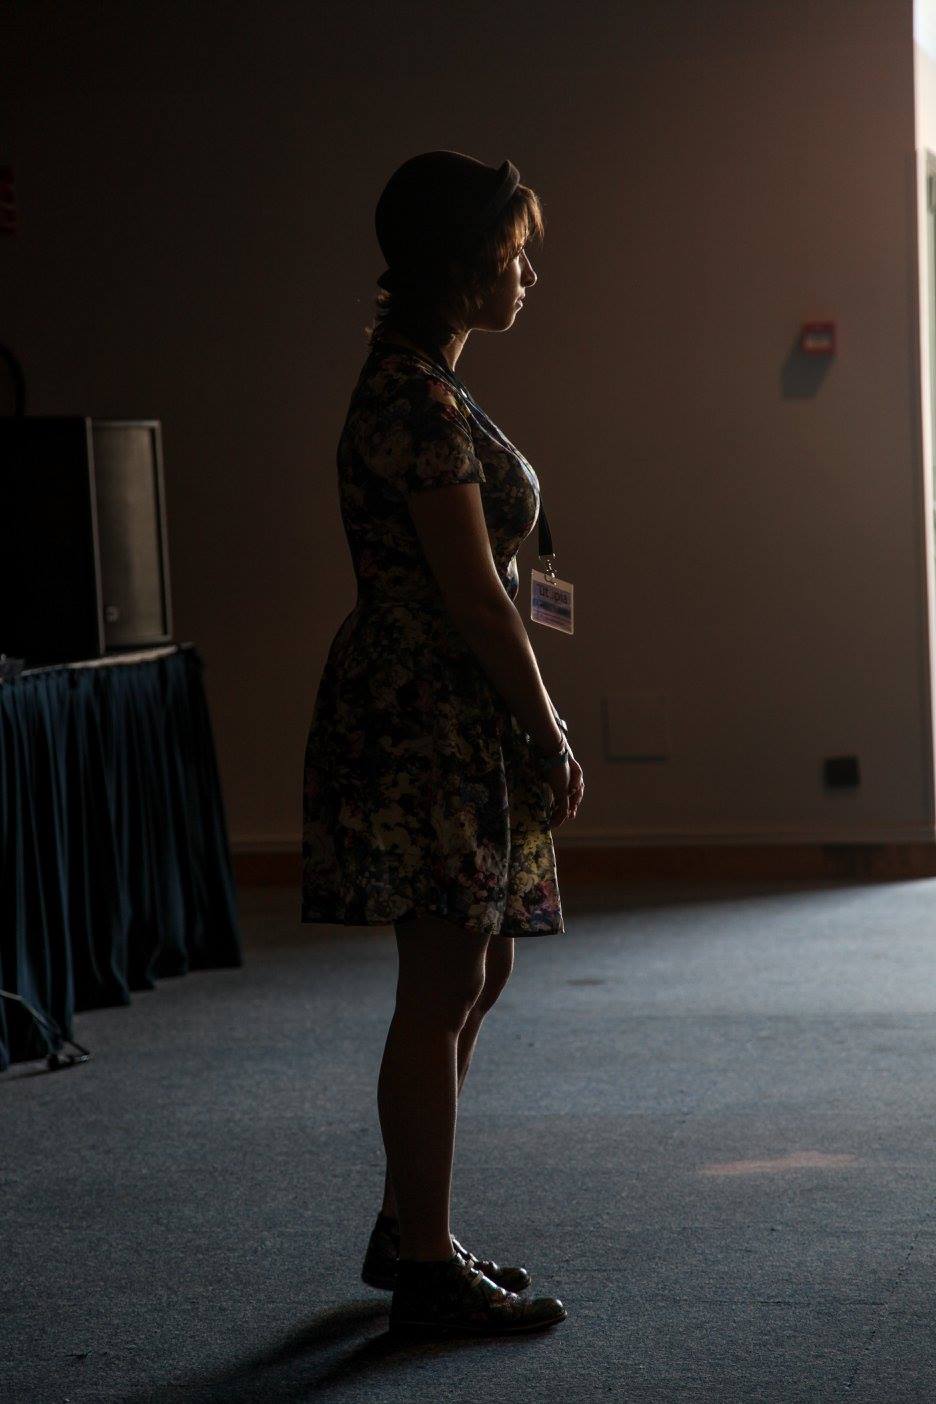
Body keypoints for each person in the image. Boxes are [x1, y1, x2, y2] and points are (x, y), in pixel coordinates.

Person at [300, 150, 585, 1337]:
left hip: (454, 710)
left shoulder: (430, 384)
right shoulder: (412, 399)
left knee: (484, 964)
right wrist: (548, 728)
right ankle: (422, 1265)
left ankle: (407, 1223)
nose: (528, 271)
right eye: (514, 251)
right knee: (441, 983)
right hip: (423, 714)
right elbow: (472, 595)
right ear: (464, 264)